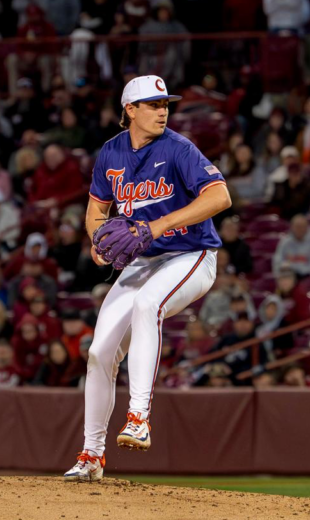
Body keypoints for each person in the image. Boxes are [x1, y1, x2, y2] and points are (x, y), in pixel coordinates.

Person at [65, 75, 231, 482]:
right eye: (153, 104)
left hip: (191, 254)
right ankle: (92, 455)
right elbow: (95, 213)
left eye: (165, 104)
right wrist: (97, 241)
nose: (163, 111)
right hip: (144, 260)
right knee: (100, 352)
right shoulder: (111, 152)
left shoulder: (178, 148)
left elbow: (219, 197)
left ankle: (139, 416)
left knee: (147, 305)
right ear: (130, 111)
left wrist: (156, 227)